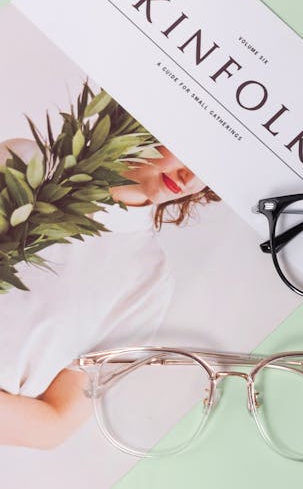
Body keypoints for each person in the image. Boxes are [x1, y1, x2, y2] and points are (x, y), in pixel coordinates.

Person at [0, 137, 219, 449]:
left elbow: (57, 421)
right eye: (191, 152)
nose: (189, 177)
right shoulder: (25, 160)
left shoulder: (149, 280)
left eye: (210, 173)